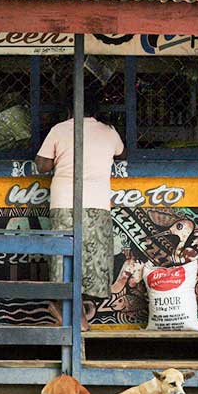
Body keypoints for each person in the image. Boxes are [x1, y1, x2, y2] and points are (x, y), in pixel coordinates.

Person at [35, 109, 125, 299]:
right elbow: (122, 153)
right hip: (98, 203)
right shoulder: (109, 131)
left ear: (68, 109)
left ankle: (65, 307)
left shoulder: (59, 129)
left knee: (64, 257)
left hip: (65, 202)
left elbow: (42, 166)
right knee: (94, 261)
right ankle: (76, 311)